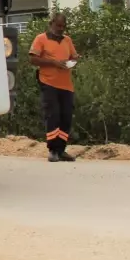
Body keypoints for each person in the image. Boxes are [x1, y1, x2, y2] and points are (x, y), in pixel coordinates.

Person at [28, 12, 79, 163]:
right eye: (58, 26)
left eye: (63, 26)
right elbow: (32, 59)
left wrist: (74, 60)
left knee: (66, 116)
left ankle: (61, 149)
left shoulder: (67, 40)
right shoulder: (41, 39)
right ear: (51, 24)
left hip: (66, 85)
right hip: (48, 83)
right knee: (53, 115)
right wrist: (54, 63)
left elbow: (73, 56)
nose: (60, 29)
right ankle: (52, 150)